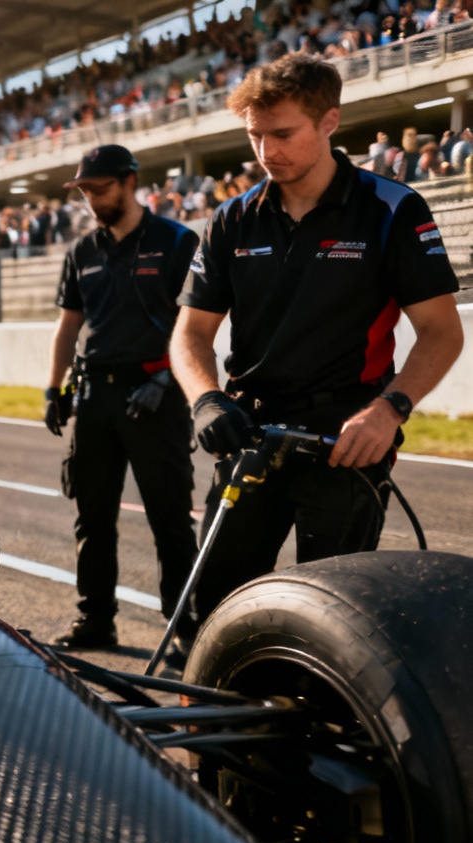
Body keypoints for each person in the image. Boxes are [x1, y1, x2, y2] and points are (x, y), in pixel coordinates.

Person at [171, 54, 464, 625]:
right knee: (215, 611)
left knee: (333, 622)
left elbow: (441, 333)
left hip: (347, 443)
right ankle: (217, 717)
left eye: (282, 134)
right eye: (255, 136)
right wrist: (207, 400)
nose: (266, 152)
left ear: (329, 121)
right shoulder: (232, 219)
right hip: (248, 436)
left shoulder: (392, 209)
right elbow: (191, 334)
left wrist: (389, 411)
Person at [46, 145, 200, 652]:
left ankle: (184, 624)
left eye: (101, 188)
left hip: (156, 394)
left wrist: (169, 382)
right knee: (92, 516)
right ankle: (95, 619)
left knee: (170, 518)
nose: (92, 199)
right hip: (96, 397)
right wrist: (54, 387)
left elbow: (196, 325)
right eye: (86, 190)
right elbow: (68, 326)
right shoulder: (82, 252)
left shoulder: (176, 241)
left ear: (131, 182)